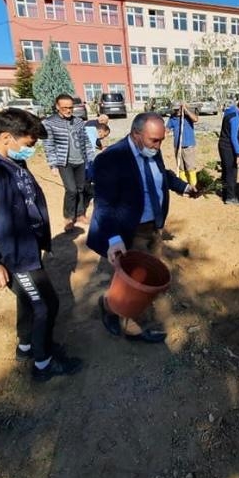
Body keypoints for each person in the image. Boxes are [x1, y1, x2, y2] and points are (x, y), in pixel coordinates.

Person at [0, 108, 82, 382]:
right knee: (46, 303)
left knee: (29, 299)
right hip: (13, 255)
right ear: (6, 138)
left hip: (27, 248)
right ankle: (43, 364)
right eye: (28, 145)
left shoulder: (10, 160)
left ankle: (27, 347)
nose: (30, 151)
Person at [87, 112, 198, 344]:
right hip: (129, 231)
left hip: (153, 228)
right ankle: (131, 325)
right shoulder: (111, 159)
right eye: (153, 141)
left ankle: (110, 305)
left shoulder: (152, 151)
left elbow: (161, 176)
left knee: (146, 278)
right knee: (138, 283)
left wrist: (183, 186)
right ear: (136, 134)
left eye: (161, 141)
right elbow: (104, 205)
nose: (158, 146)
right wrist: (115, 239)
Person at [42, 94, 95, 231]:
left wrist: (90, 158)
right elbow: (49, 145)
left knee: (81, 188)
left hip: (81, 160)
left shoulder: (78, 121)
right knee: (71, 190)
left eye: (70, 107)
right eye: (65, 107)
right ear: (57, 107)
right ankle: (69, 217)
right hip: (64, 162)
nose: (68, 110)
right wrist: (53, 164)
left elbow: (86, 141)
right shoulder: (49, 123)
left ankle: (80, 214)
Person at [218, 97, 239, 206]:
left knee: (226, 171)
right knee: (232, 172)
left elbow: (231, 131)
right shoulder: (235, 116)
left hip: (223, 144)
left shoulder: (229, 111)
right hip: (228, 146)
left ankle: (225, 193)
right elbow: (233, 138)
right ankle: (230, 197)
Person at [166, 101, 199, 187]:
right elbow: (167, 129)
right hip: (177, 146)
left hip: (188, 146)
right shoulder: (172, 118)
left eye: (179, 109)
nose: (177, 111)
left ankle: (193, 186)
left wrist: (186, 110)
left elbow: (196, 119)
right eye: (175, 110)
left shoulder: (187, 116)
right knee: (181, 168)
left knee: (190, 167)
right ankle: (183, 186)